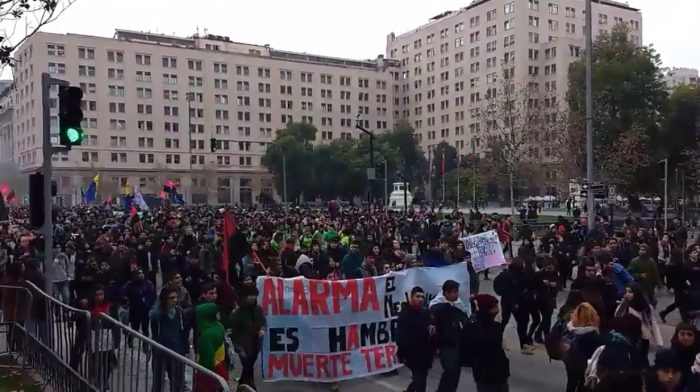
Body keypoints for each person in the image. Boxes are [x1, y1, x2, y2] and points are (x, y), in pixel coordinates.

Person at [463, 294, 510, 392]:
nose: (498, 310)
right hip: (486, 371)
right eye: (495, 307)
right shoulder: (478, 326)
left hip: (496, 371)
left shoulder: (476, 323)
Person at [429, 280, 469, 392]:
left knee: (456, 372)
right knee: (450, 370)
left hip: (457, 344)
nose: (457, 295)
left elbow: (464, 319)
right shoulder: (437, 308)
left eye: (457, 292)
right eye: (454, 292)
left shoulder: (458, 304)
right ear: (446, 292)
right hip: (445, 345)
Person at [149, 285, 189, 392]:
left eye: (176, 297)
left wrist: (185, 348)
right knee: (158, 382)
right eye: (171, 298)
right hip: (161, 352)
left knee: (177, 382)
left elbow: (184, 330)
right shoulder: (159, 314)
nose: (174, 300)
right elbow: (154, 323)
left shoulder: (179, 311)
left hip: (176, 351)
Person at [229, 284, 266, 391]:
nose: (253, 298)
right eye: (251, 295)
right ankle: (246, 386)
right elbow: (232, 332)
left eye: (254, 295)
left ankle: (247, 386)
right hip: (242, 346)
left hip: (255, 344)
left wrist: (262, 329)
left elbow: (262, 321)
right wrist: (239, 348)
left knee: (249, 368)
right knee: (246, 368)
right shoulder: (237, 314)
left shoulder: (257, 309)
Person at [396, 286, 434, 392]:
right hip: (412, 353)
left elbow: (430, 324)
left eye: (422, 297)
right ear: (411, 297)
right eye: (418, 296)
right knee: (417, 379)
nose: (420, 299)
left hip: (425, 352)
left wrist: (431, 326)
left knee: (422, 381)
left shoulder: (424, 312)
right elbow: (401, 336)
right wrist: (402, 354)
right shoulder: (405, 314)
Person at [615, 283, 663, 363]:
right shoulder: (623, 307)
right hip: (629, 339)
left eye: (630, 292)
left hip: (643, 339)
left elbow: (653, 324)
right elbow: (616, 319)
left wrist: (659, 342)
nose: (627, 294)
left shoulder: (647, 308)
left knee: (643, 360)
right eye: (626, 292)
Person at [563, 303, 605, 392]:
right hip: (584, 364)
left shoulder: (570, 328)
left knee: (571, 383)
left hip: (570, 361)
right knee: (583, 385)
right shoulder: (592, 335)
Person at [193, 302, 228, 392]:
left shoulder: (206, 335)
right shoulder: (219, 326)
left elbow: (207, 360)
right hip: (221, 369)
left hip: (209, 375)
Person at [668, 322, 699, 391]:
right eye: (682, 334)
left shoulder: (698, 356)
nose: (686, 337)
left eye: (689, 334)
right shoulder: (670, 355)